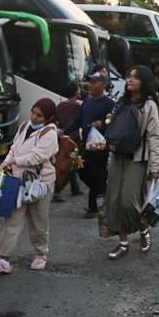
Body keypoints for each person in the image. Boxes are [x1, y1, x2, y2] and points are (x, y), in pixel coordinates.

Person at [0, 98, 59, 273]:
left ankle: (40, 254)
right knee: (12, 220)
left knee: (39, 221)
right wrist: (6, 162)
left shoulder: (50, 134)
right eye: (33, 113)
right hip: (18, 180)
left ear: (48, 118)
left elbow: (37, 157)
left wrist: (15, 161)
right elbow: (14, 147)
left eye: (40, 116)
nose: (35, 117)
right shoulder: (24, 127)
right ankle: (2, 258)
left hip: (40, 183)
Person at [105, 66, 159, 260]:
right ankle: (122, 243)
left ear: (144, 82)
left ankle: (143, 229)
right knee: (113, 201)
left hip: (138, 158)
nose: (130, 80)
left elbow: (155, 137)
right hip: (117, 156)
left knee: (129, 201)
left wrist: (156, 166)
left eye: (135, 78)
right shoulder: (120, 102)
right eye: (128, 76)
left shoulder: (149, 105)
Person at [64, 71, 116, 218]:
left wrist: (103, 124)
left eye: (94, 82)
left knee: (97, 175)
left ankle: (94, 207)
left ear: (104, 84)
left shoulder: (110, 104)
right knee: (81, 169)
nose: (91, 85)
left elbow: (112, 122)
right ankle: (102, 191)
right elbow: (78, 120)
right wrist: (64, 131)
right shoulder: (87, 101)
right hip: (85, 145)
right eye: (90, 82)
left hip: (100, 148)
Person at [53, 86, 83, 202]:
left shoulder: (61, 106)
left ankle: (74, 187)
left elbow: (56, 120)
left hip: (62, 139)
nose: (80, 91)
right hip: (74, 141)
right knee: (71, 164)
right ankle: (57, 190)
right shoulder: (79, 107)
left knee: (66, 163)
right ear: (75, 92)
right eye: (79, 89)